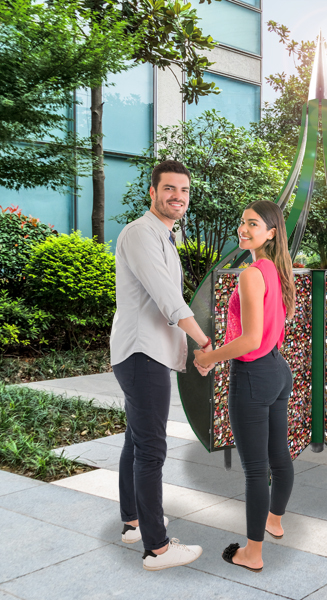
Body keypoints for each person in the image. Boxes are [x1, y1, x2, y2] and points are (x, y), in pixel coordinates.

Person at [110, 160, 213, 571]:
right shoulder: (141, 234)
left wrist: (190, 353)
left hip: (145, 354)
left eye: (184, 191)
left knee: (136, 441)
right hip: (141, 355)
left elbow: (164, 302)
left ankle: (134, 523)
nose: (178, 197)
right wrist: (204, 343)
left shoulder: (163, 236)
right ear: (152, 192)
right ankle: (157, 547)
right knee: (152, 449)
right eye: (169, 189)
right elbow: (169, 299)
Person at [194, 200, 296, 573]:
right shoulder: (275, 270)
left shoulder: (251, 273)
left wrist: (208, 357)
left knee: (256, 470)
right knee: (278, 456)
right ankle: (275, 521)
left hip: (253, 375)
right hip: (277, 371)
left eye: (253, 224)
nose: (243, 229)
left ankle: (252, 553)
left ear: (270, 233)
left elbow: (251, 339)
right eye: (242, 222)